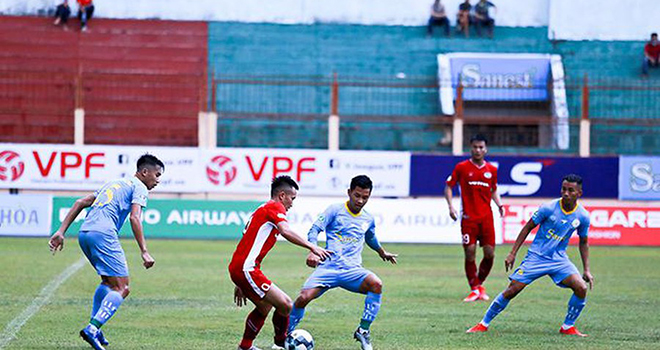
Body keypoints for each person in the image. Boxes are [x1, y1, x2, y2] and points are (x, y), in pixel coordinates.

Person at [48, 154, 164, 350]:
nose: (158, 180)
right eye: (157, 175)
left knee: (108, 282)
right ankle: (93, 328)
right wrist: (144, 251)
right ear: (145, 172)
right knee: (122, 287)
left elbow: (79, 202)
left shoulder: (114, 183)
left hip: (85, 234)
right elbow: (135, 218)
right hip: (103, 234)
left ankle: (96, 329)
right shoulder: (140, 187)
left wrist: (61, 231)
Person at [467, 174, 593, 337]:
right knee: (512, 290)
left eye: (571, 190)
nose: (566, 193)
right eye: (563, 189)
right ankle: (483, 323)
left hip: (559, 260)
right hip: (536, 257)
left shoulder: (582, 216)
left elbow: (584, 242)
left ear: (579, 193)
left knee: (581, 288)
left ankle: (568, 326)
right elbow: (527, 228)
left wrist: (587, 269)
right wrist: (513, 253)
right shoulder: (548, 208)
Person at [287, 175, 398, 350]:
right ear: (349, 192)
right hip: (328, 268)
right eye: (357, 195)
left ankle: (363, 331)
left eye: (365, 197)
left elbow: (370, 237)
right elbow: (315, 229)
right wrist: (313, 250)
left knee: (376, 284)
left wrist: (381, 252)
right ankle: (285, 336)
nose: (360, 201)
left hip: (352, 270)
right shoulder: (334, 210)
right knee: (303, 298)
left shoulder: (368, 218)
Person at [229, 176, 331, 350]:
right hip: (246, 269)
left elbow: (247, 241)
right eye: (292, 199)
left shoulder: (262, 208)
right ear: (282, 195)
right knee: (285, 304)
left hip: (243, 268)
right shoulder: (274, 207)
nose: (292, 203)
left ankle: (245, 347)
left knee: (265, 306)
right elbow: (286, 231)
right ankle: (280, 344)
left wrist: (241, 281)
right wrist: (312, 246)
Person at [444, 134, 503, 302]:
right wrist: (450, 206)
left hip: (486, 218)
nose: (478, 150)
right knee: (470, 253)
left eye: (481, 147)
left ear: (486, 149)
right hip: (469, 218)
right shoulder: (462, 167)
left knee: (490, 254)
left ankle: (478, 285)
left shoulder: (492, 170)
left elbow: (493, 190)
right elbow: (448, 186)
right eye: (475, 147)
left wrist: (499, 204)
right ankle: (475, 288)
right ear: (470, 148)